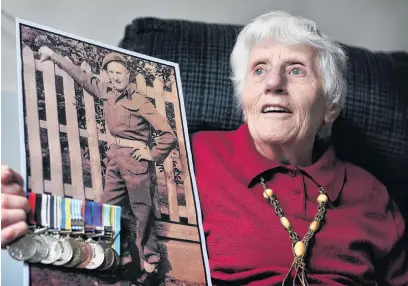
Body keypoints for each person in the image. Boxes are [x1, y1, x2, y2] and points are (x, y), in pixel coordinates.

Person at [2, 11, 408, 286]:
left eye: (296, 70)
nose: (274, 83)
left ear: (331, 107)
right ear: (244, 97)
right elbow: (113, 238)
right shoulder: (192, 158)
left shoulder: (371, 195)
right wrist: (31, 216)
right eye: (260, 69)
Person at [38, 47, 176, 283]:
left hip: (136, 162)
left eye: (119, 72)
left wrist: (152, 154)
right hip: (114, 161)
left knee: (143, 213)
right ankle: (116, 260)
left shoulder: (140, 101)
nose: (115, 77)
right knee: (105, 209)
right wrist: (52, 55)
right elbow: (80, 75)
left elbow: (168, 134)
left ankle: (151, 266)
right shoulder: (106, 91)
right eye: (111, 73)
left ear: (127, 74)